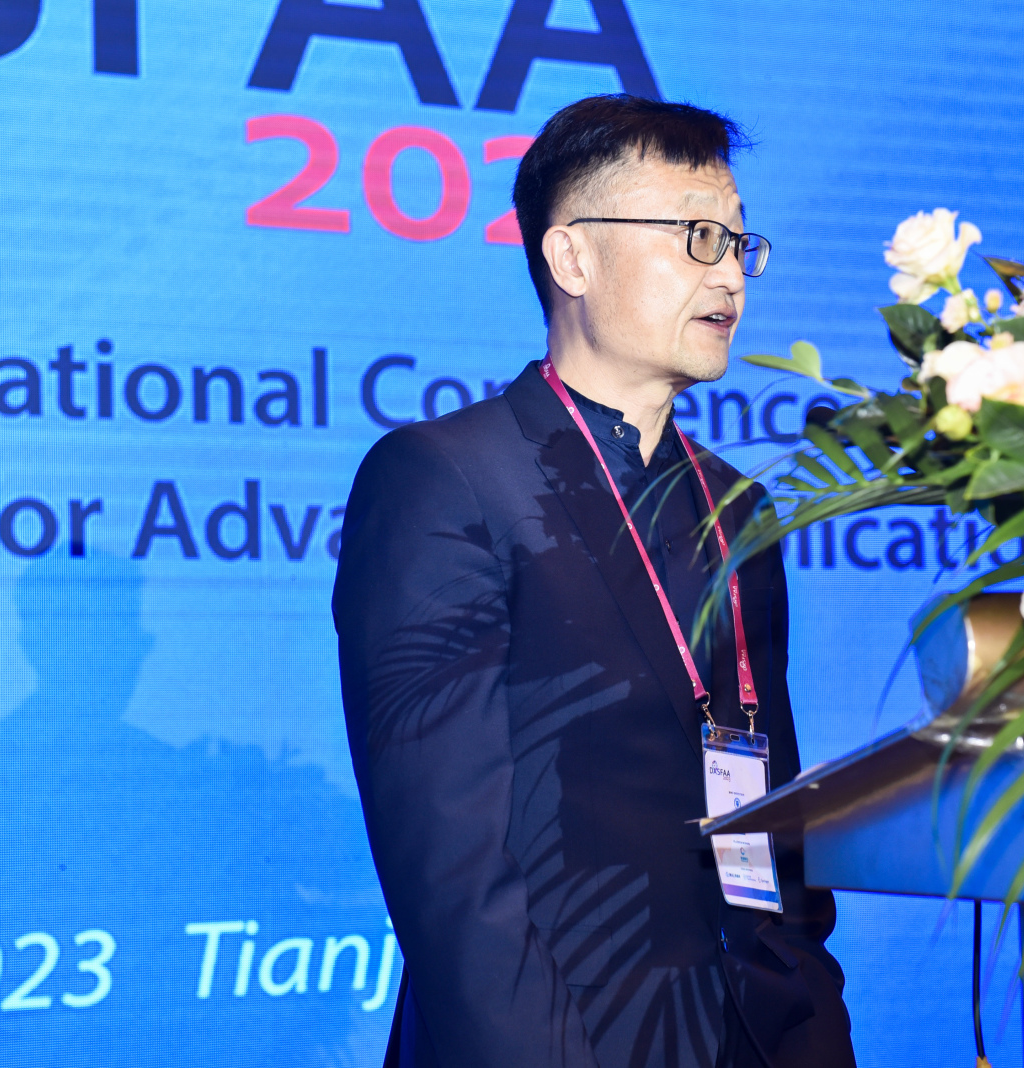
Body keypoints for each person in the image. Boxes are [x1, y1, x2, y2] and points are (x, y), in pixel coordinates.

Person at [332, 94, 855, 1068]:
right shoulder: (445, 479)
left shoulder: (737, 506)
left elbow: (774, 830)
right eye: (696, 237)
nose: (728, 274)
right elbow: (452, 871)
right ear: (571, 258)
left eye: (738, 242)